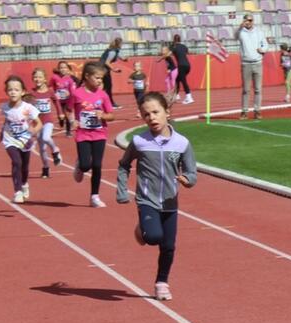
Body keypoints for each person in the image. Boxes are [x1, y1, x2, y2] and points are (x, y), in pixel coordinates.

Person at [117, 91, 197, 302]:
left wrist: (188, 180)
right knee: (153, 237)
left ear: (167, 112)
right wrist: (122, 190)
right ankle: (143, 229)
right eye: (146, 114)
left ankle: (162, 282)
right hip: (147, 199)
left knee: (168, 246)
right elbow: (124, 165)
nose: (151, 117)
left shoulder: (182, 143)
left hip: (170, 202)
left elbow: (191, 172)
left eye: (155, 112)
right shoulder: (139, 142)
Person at [68, 61, 115, 208]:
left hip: (99, 133)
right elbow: (69, 109)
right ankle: (80, 165)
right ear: (87, 76)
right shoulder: (76, 93)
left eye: (101, 78)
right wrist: (73, 121)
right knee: (85, 165)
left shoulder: (103, 95)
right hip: (83, 134)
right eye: (97, 77)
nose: (100, 81)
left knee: (97, 165)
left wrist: (103, 115)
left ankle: (94, 196)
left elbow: (111, 115)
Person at [0, 75, 42, 204]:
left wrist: (33, 131)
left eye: (16, 90)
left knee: (24, 166)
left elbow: (39, 123)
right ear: (6, 92)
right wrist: (2, 132)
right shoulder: (5, 107)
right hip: (10, 139)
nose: (13, 92)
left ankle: (24, 184)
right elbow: (7, 120)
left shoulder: (28, 108)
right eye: (10, 89)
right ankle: (17, 192)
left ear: (22, 92)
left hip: (25, 139)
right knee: (16, 162)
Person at [234, 13, 268, 119]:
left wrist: (263, 50)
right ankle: (244, 111)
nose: (248, 22)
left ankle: (257, 110)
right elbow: (235, 36)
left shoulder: (259, 32)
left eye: (250, 20)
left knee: (258, 89)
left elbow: (265, 44)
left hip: (257, 63)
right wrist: (240, 27)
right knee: (246, 89)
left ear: (253, 21)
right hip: (246, 63)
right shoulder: (241, 32)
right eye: (246, 20)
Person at [29, 68, 62, 178]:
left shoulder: (50, 91)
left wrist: (60, 113)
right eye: (35, 77)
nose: (37, 79)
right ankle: (45, 168)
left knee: (46, 137)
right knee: (42, 149)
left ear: (44, 79)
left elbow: (56, 102)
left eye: (40, 77)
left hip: (48, 121)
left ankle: (55, 150)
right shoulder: (32, 92)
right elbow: (27, 106)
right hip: (37, 123)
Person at [49, 60, 76, 137]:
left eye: (65, 68)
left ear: (67, 69)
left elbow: (72, 91)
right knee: (61, 115)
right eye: (61, 68)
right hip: (58, 101)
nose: (63, 69)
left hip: (67, 100)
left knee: (67, 115)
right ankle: (60, 119)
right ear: (58, 69)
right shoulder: (54, 78)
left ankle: (68, 131)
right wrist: (54, 94)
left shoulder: (70, 80)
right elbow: (50, 86)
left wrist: (69, 95)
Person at [99, 37, 125, 106]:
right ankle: (110, 103)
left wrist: (125, 59)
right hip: (103, 70)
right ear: (119, 44)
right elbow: (107, 62)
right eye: (121, 44)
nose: (122, 45)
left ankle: (104, 102)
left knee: (105, 87)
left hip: (102, 69)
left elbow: (121, 57)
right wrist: (114, 69)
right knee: (108, 87)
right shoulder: (113, 52)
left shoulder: (114, 50)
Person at [170, 34, 194, 104]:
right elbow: (188, 52)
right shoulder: (184, 46)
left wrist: (161, 57)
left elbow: (168, 54)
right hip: (187, 66)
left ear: (174, 40)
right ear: (180, 39)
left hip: (181, 66)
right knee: (177, 79)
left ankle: (189, 97)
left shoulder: (173, 46)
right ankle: (177, 95)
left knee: (183, 81)